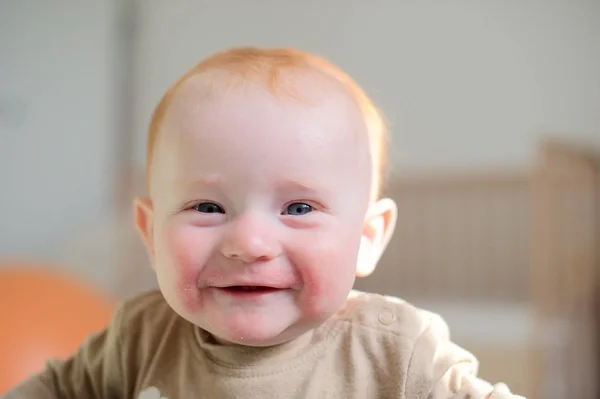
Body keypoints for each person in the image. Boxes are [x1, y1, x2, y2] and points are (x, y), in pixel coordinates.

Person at [3, 47, 525, 399]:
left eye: (298, 208)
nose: (249, 243)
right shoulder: (138, 339)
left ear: (366, 239)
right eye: (207, 207)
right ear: (150, 233)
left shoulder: (397, 354)